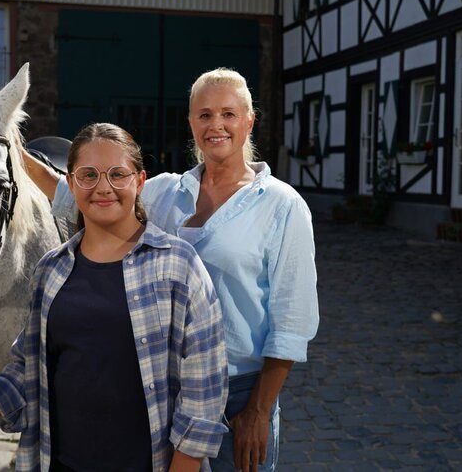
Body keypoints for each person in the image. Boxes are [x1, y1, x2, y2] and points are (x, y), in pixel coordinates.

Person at [21, 69, 319, 472]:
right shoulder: (164, 191)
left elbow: (292, 322)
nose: (217, 125)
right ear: (191, 123)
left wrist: (258, 411)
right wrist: (5, 145)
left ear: (250, 120)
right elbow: (81, 193)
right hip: (158, 389)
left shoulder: (282, 205)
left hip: (239, 394)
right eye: (205, 114)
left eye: (229, 114)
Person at [0, 123, 229, 472]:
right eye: (88, 175)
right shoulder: (52, 270)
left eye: (118, 174)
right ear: (71, 183)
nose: (103, 187)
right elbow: (27, 372)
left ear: (140, 182)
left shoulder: (179, 267)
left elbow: (204, 398)